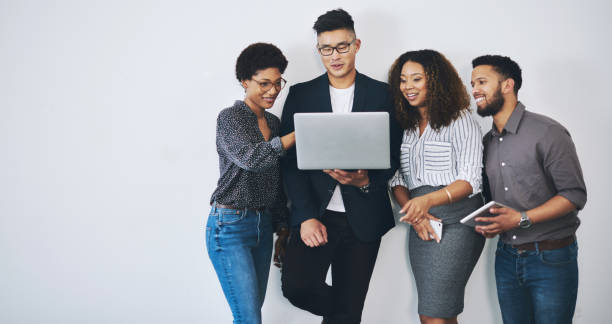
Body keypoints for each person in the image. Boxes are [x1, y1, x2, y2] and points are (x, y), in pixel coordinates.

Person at [278, 9, 401, 324]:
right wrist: (304, 216)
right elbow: (290, 164)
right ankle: (345, 310)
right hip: (316, 215)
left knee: (346, 316)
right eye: (326, 49)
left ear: (357, 45)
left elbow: (395, 155)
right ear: (319, 50)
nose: (335, 56)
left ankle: (346, 312)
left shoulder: (384, 94)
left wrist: (363, 179)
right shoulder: (302, 94)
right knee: (298, 287)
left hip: (364, 216)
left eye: (342, 46)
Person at [471, 55, 587, 324]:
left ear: (507, 85)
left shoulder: (548, 132)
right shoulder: (486, 142)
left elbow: (574, 195)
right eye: (473, 83)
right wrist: (491, 223)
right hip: (506, 257)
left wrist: (521, 218)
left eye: (482, 82)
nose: (475, 89)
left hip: (551, 258)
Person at [388, 49, 485, 324]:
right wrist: (414, 211)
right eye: (403, 80)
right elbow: (396, 178)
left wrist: (426, 202)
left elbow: (470, 181)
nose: (408, 86)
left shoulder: (460, 119)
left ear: (435, 81)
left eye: (417, 79)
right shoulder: (405, 125)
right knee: (433, 313)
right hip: (420, 222)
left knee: (436, 314)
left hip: (458, 222)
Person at [206, 42, 295, 324]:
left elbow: (275, 179)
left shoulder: (274, 122)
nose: (273, 91)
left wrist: (282, 227)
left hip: (263, 225)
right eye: (264, 83)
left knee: (249, 316)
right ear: (245, 81)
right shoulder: (230, 118)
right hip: (229, 225)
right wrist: (297, 135)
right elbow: (252, 159)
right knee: (248, 318)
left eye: (278, 83)